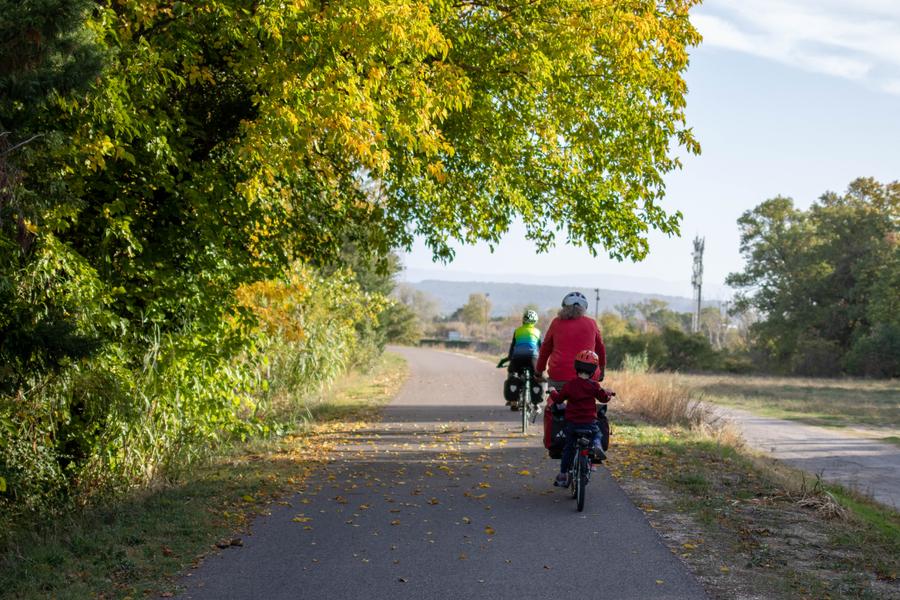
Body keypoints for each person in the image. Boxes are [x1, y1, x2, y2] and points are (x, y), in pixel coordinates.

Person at [549, 350, 613, 487]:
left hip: (572, 424)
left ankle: (563, 474)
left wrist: (553, 391)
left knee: (568, 448)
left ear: (576, 367)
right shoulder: (594, 386)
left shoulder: (570, 385)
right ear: (593, 370)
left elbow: (559, 399)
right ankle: (596, 445)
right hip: (589, 422)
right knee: (597, 434)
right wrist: (608, 394)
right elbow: (603, 398)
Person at [535, 291, 606, 385]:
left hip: (559, 376)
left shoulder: (556, 323)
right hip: (588, 376)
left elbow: (545, 349)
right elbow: (600, 350)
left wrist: (539, 371)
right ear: (583, 308)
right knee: (588, 396)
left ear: (564, 307)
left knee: (556, 397)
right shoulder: (591, 323)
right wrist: (602, 371)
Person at [502, 310, 542, 407]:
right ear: (535, 321)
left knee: (512, 373)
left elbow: (513, 346)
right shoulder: (537, 332)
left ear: (523, 320)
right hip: (532, 358)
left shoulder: (517, 331)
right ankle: (536, 401)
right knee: (538, 376)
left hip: (518, 358)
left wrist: (510, 358)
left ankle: (513, 401)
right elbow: (540, 347)